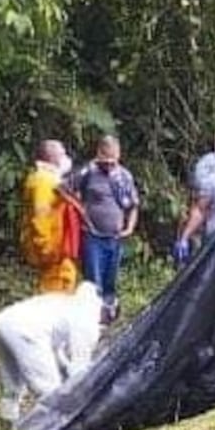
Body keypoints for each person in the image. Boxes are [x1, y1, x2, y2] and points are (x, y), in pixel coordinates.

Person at [0, 282, 102, 428]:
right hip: (25, 329)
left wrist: (65, 368)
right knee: (50, 391)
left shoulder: (65, 303)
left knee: (11, 383)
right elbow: (79, 368)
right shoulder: (88, 319)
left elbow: (56, 351)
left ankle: (5, 424)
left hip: (1, 322)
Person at [74, 135, 140, 325]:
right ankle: (92, 320)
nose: (110, 166)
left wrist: (130, 227)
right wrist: (81, 212)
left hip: (115, 236)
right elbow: (64, 188)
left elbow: (133, 204)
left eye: (113, 162)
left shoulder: (124, 176)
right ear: (98, 155)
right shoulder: (88, 172)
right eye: (106, 162)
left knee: (111, 279)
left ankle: (108, 317)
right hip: (93, 235)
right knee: (93, 281)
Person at [19, 139, 83, 293]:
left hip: (59, 249)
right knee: (55, 296)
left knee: (65, 284)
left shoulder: (50, 179)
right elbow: (39, 218)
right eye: (62, 154)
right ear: (52, 158)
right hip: (52, 250)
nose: (66, 158)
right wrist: (46, 249)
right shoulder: (43, 181)